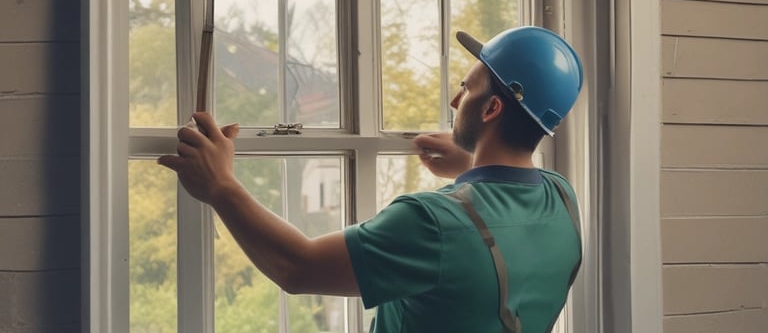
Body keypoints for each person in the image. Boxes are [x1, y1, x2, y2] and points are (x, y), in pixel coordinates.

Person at [158, 25, 583, 333]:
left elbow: (297, 267)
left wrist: (221, 186)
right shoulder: (562, 199)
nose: (455, 100)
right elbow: (502, 214)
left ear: (491, 110)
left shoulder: (433, 224)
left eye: (467, 89)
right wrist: (472, 160)